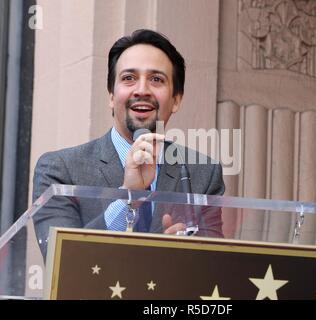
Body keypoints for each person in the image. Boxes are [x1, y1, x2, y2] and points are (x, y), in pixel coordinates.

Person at [32, 29, 225, 259]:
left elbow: (214, 269)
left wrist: (181, 257)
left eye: (156, 79)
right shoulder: (59, 170)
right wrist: (128, 198)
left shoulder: (203, 173)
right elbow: (62, 261)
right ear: (111, 96)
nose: (142, 90)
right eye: (128, 78)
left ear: (176, 100)